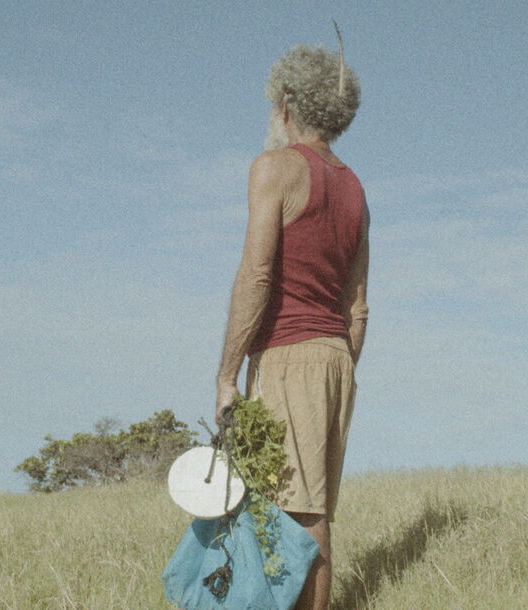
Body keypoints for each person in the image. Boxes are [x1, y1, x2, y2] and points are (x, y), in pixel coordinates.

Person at [215, 40, 368, 610]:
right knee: (314, 508)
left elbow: (255, 276)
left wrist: (227, 376)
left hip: (292, 355)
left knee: (295, 512)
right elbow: (357, 308)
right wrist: (342, 372)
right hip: (336, 356)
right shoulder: (355, 188)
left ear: (285, 103)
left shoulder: (274, 168)